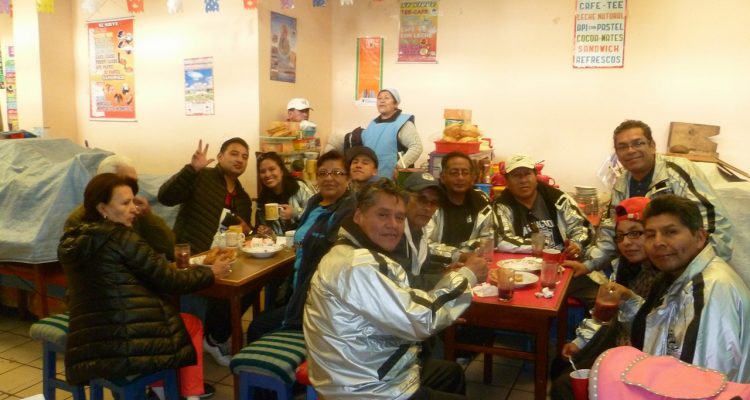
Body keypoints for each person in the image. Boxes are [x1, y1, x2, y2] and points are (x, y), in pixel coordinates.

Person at [304, 179, 487, 399]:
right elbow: (420, 320)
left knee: (451, 373)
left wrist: (448, 291)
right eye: (382, 215)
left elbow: (403, 297)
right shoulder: (357, 266)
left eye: (399, 217)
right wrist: (467, 276)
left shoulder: (358, 251)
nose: (393, 224)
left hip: (365, 368)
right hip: (365, 390)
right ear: (358, 216)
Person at [58, 173, 231, 400]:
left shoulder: (73, 241)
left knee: (156, 320)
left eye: (133, 201)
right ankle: (189, 394)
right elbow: (170, 280)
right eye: (125, 203)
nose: (133, 208)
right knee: (190, 323)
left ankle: (159, 389)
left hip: (88, 339)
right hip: (124, 341)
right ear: (102, 208)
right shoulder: (122, 238)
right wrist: (210, 273)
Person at [611, 195, 750, 382]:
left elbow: (702, 383)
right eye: (650, 234)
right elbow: (664, 334)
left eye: (670, 232)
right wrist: (629, 302)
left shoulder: (710, 289)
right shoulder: (677, 277)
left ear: (700, 237)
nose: (658, 242)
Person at [582, 119, 733, 275]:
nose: (631, 150)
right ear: (617, 153)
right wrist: (588, 265)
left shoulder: (677, 171)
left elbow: (713, 226)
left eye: (638, 143)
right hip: (646, 270)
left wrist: (695, 275)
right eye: (623, 147)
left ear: (652, 145)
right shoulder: (622, 182)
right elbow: (612, 230)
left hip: (682, 269)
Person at [550, 197, 659, 400]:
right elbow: (604, 315)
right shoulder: (626, 268)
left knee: (564, 387)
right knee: (559, 366)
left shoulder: (665, 276)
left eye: (636, 233)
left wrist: (628, 298)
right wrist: (580, 342)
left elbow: (657, 328)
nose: (626, 242)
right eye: (620, 236)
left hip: (643, 361)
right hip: (617, 343)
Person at [158, 138, 253, 366]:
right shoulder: (201, 177)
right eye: (234, 153)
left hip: (225, 260)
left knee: (249, 287)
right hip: (192, 259)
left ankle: (214, 337)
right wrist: (191, 169)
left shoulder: (243, 197)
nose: (240, 159)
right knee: (193, 318)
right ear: (220, 157)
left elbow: (244, 233)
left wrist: (248, 229)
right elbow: (165, 197)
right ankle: (191, 355)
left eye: (244, 156)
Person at [246, 150, 356, 343]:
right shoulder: (314, 203)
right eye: (323, 173)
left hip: (318, 298)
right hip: (297, 284)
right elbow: (302, 238)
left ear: (348, 178)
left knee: (257, 327)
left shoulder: (348, 210)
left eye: (337, 173)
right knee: (268, 298)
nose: (329, 178)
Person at [494, 154, 599, 307]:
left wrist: (577, 244)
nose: (523, 180)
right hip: (523, 272)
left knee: (599, 299)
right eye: (516, 176)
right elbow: (502, 239)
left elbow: (583, 227)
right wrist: (539, 247)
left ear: (535, 176)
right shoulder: (502, 205)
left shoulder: (557, 198)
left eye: (527, 174)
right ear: (507, 181)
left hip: (564, 267)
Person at [65, 154, 175, 259]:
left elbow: (168, 247)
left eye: (134, 183)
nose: (132, 189)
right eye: (127, 182)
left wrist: (147, 217)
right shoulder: (78, 220)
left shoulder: (136, 212)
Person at [426, 152, 494, 252]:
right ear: (443, 177)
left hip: (472, 258)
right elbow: (425, 243)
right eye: (454, 173)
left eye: (465, 173)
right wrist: (457, 255)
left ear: (473, 178)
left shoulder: (481, 200)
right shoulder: (432, 202)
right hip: (438, 260)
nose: (460, 178)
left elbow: (488, 238)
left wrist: (468, 248)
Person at [359, 88, 423, 178]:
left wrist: (399, 166)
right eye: (379, 98)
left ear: (395, 103)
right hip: (371, 179)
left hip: (394, 180)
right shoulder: (372, 124)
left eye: (386, 98)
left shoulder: (403, 123)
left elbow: (417, 147)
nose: (382, 101)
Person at [254, 151, 314, 237]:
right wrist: (268, 232)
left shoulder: (298, 187)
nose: (267, 175)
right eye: (263, 171)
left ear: (282, 171)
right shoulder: (262, 200)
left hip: (304, 240)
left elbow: (316, 213)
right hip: (280, 244)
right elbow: (270, 233)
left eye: (272, 169)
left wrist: (295, 213)